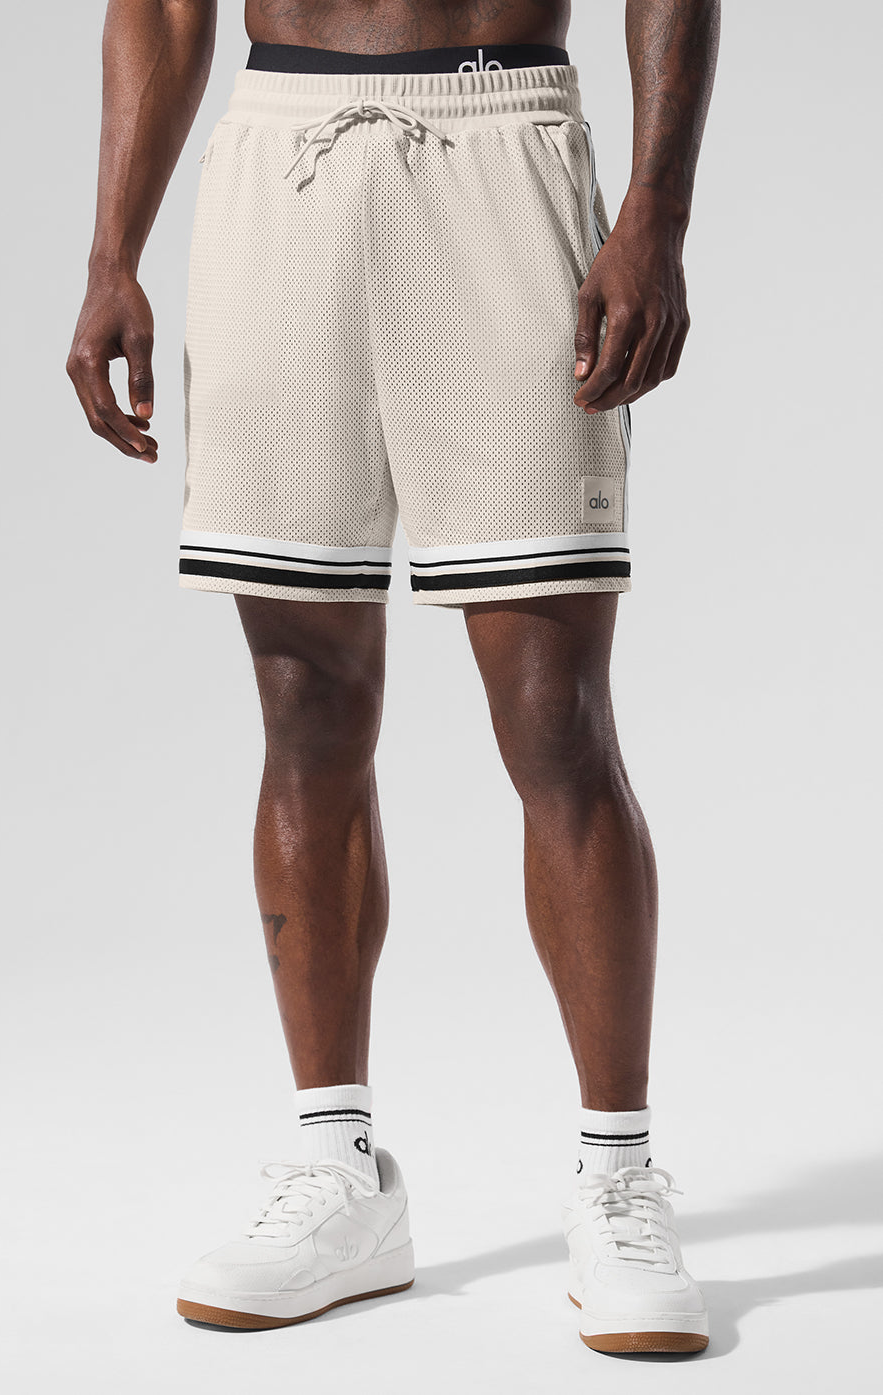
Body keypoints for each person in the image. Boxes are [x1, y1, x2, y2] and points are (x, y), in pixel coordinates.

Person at [67, 0, 720, 1356]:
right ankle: (340, 1171)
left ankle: (617, 1175)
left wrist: (655, 211)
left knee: (554, 718)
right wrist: (111, 252)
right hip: (280, 163)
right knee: (303, 706)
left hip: (501, 144)